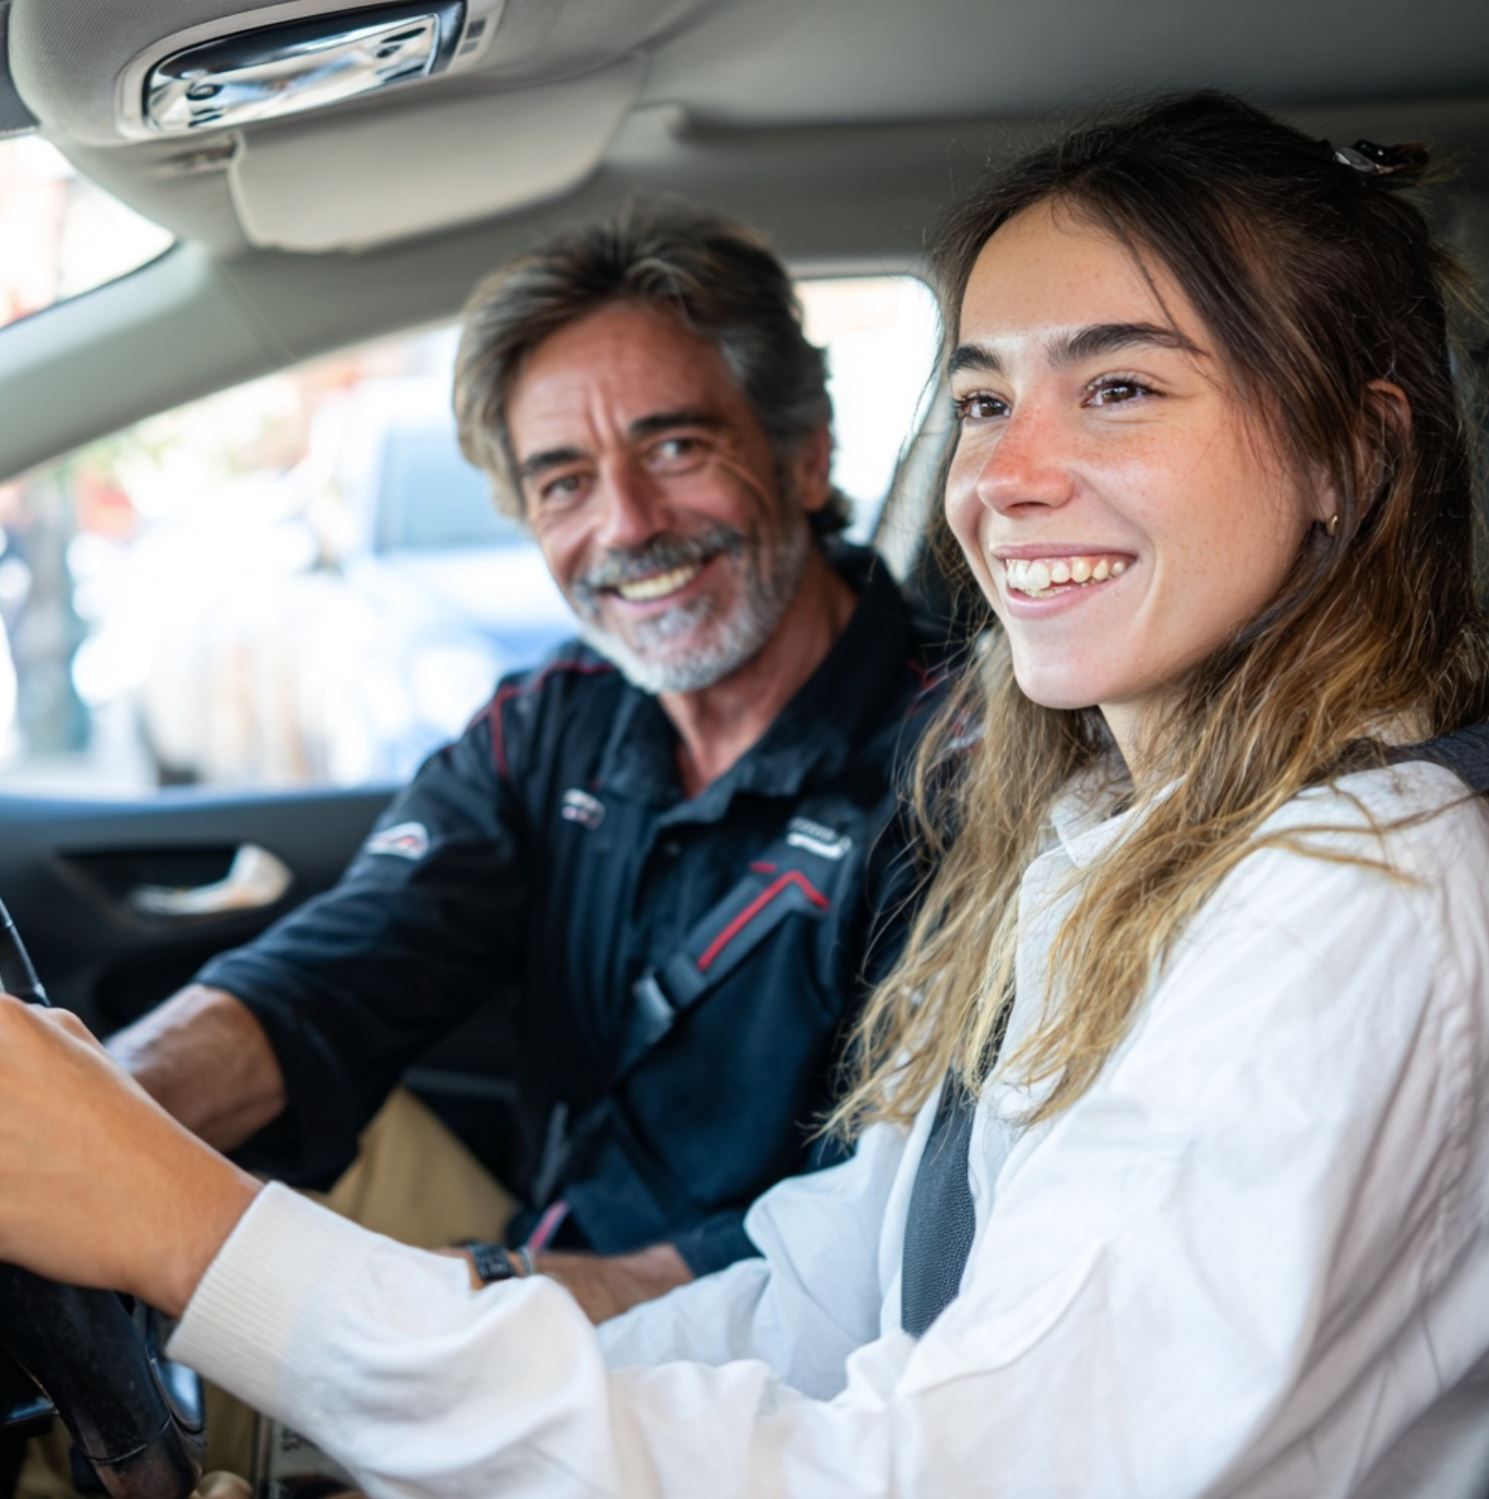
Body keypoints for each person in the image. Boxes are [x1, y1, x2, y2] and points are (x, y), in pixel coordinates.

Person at [2, 88, 1489, 1497]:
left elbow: (923, 1453)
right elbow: (834, 1281)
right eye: (981, 400)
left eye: (1117, 387)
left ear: (1348, 454)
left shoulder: (1322, 893)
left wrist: (199, 1239)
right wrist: (118, 1142)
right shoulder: (1092, 827)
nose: (1011, 475)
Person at [98, 200, 942, 1324]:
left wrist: (481, 1300)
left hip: (767, 1348)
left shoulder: (955, 768)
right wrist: (92, 1112)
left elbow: (886, 1229)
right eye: (563, 482)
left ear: (803, 459)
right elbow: (337, 974)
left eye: (676, 445)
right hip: (553, 1260)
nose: (627, 523)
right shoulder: (554, 720)